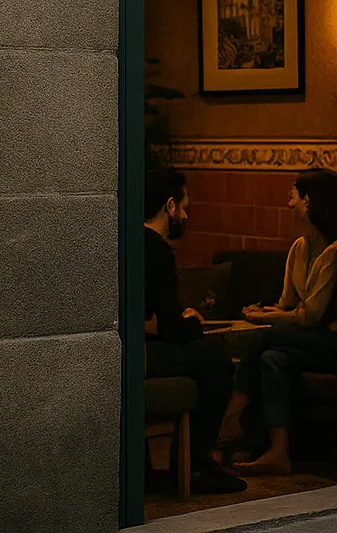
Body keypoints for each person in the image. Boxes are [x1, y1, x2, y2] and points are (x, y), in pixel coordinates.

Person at [225, 168, 337, 477]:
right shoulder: (300, 247)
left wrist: (264, 320)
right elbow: (287, 305)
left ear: (310, 201)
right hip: (301, 339)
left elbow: (310, 315)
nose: (288, 203)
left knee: (260, 338)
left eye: (293, 195)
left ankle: (230, 418)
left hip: (331, 342)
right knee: (271, 358)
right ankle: (278, 451)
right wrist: (262, 310)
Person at [143, 169, 247, 495]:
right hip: (146, 356)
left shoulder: (129, 240)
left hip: (138, 347)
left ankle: (190, 460)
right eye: (185, 207)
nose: (186, 216)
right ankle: (195, 461)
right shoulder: (157, 250)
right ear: (169, 206)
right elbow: (173, 329)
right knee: (215, 358)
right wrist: (194, 322)